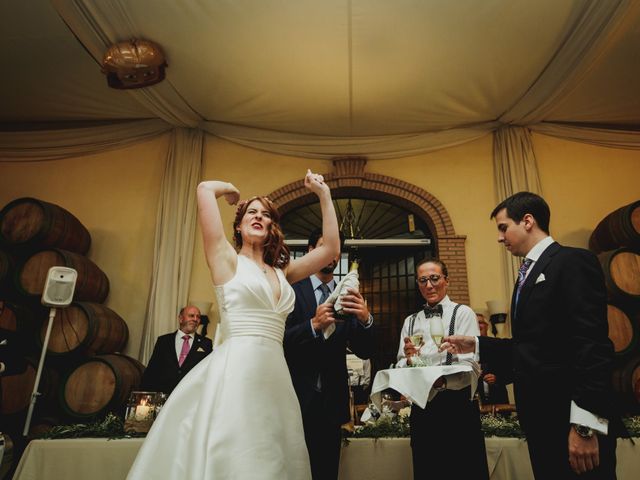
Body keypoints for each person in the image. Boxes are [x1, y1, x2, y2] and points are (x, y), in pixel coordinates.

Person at [127, 170, 339, 480]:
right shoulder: (225, 258)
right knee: (239, 453)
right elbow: (203, 189)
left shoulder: (284, 272)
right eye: (251, 212)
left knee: (274, 456)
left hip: (276, 378)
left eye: (265, 214)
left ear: (271, 228)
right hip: (237, 373)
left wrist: (324, 195)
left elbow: (331, 250)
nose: (258, 216)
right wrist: (230, 191)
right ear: (238, 225)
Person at [441, 191, 618, 479]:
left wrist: (584, 426)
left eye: (502, 227)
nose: (500, 238)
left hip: (571, 421)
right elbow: (532, 347)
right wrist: (475, 344)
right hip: (543, 422)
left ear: (527, 221)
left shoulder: (572, 261)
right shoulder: (527, 274)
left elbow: (592, 346)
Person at [284, 229, 375, 480]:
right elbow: (276, 341)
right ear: (311, 251)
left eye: (335, 250)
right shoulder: (290, 289)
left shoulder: (347, 294)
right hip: (293, 399)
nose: (331, 255)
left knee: (326, 472)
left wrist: (365, 319)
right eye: (325, 247)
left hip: (331, 405)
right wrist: (311, 325)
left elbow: (364, 350)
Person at [397, 258, 488, 480]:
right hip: (423, 411)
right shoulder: (410, 322)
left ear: (446, 280)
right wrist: (408, 360)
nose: (429, 285)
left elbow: (472, 365)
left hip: (458, 408)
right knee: (428, 470)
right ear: (418, 284)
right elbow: (399, 363)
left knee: (466, 471)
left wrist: (443, 382)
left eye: (434, 278)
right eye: (423, 280)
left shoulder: (463, 313)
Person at [141, 305, 213, 395]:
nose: (195, 319)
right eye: (191, 315)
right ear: (180, 319)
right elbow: (152, 369)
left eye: (198, 317)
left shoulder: (206, 344)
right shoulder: (163, 341)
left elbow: (208, 373)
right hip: (163, 395)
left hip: (189, 396)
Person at [476, 313, 509, 405]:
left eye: (480, 322)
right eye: (475, 323)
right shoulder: (465, 349)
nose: (478, 325)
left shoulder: (497, 346)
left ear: (487, 326)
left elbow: (509, 371)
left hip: (499, 399)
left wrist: (497, 379)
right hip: (476, 403)